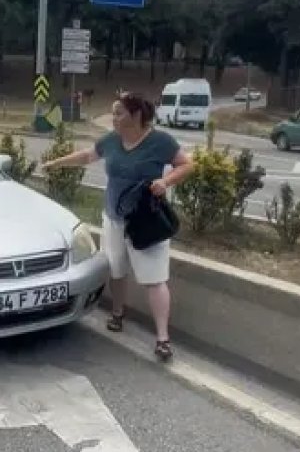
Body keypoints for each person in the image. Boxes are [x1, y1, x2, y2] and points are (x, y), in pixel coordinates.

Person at [41, 92, 194, 359]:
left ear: (136, 116)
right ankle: (117, 313)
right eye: (112, 113)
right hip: (113, 219)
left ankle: (162, 338)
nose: (113, 118)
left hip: (146, 222)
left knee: (155, 279)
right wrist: (56, 164)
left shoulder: (160, 141)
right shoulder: (112, 140)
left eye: (119, 113)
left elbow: (186, 164)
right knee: (116, 270)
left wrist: (166, 182)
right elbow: (88, 156)